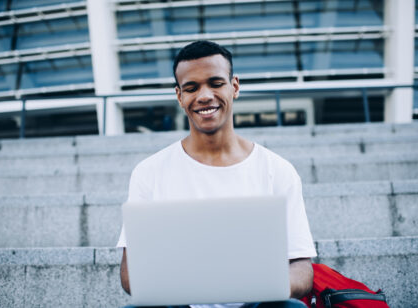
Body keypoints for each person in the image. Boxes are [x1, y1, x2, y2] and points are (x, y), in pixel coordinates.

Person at [117, 40, 316, 308]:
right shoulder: (149, 172)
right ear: (179, 97)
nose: (204, 96)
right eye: (191, 88)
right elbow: (131, 276)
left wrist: (255, 285)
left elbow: (302, 270)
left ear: (234, 87)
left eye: (215, 83)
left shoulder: (277, 170)